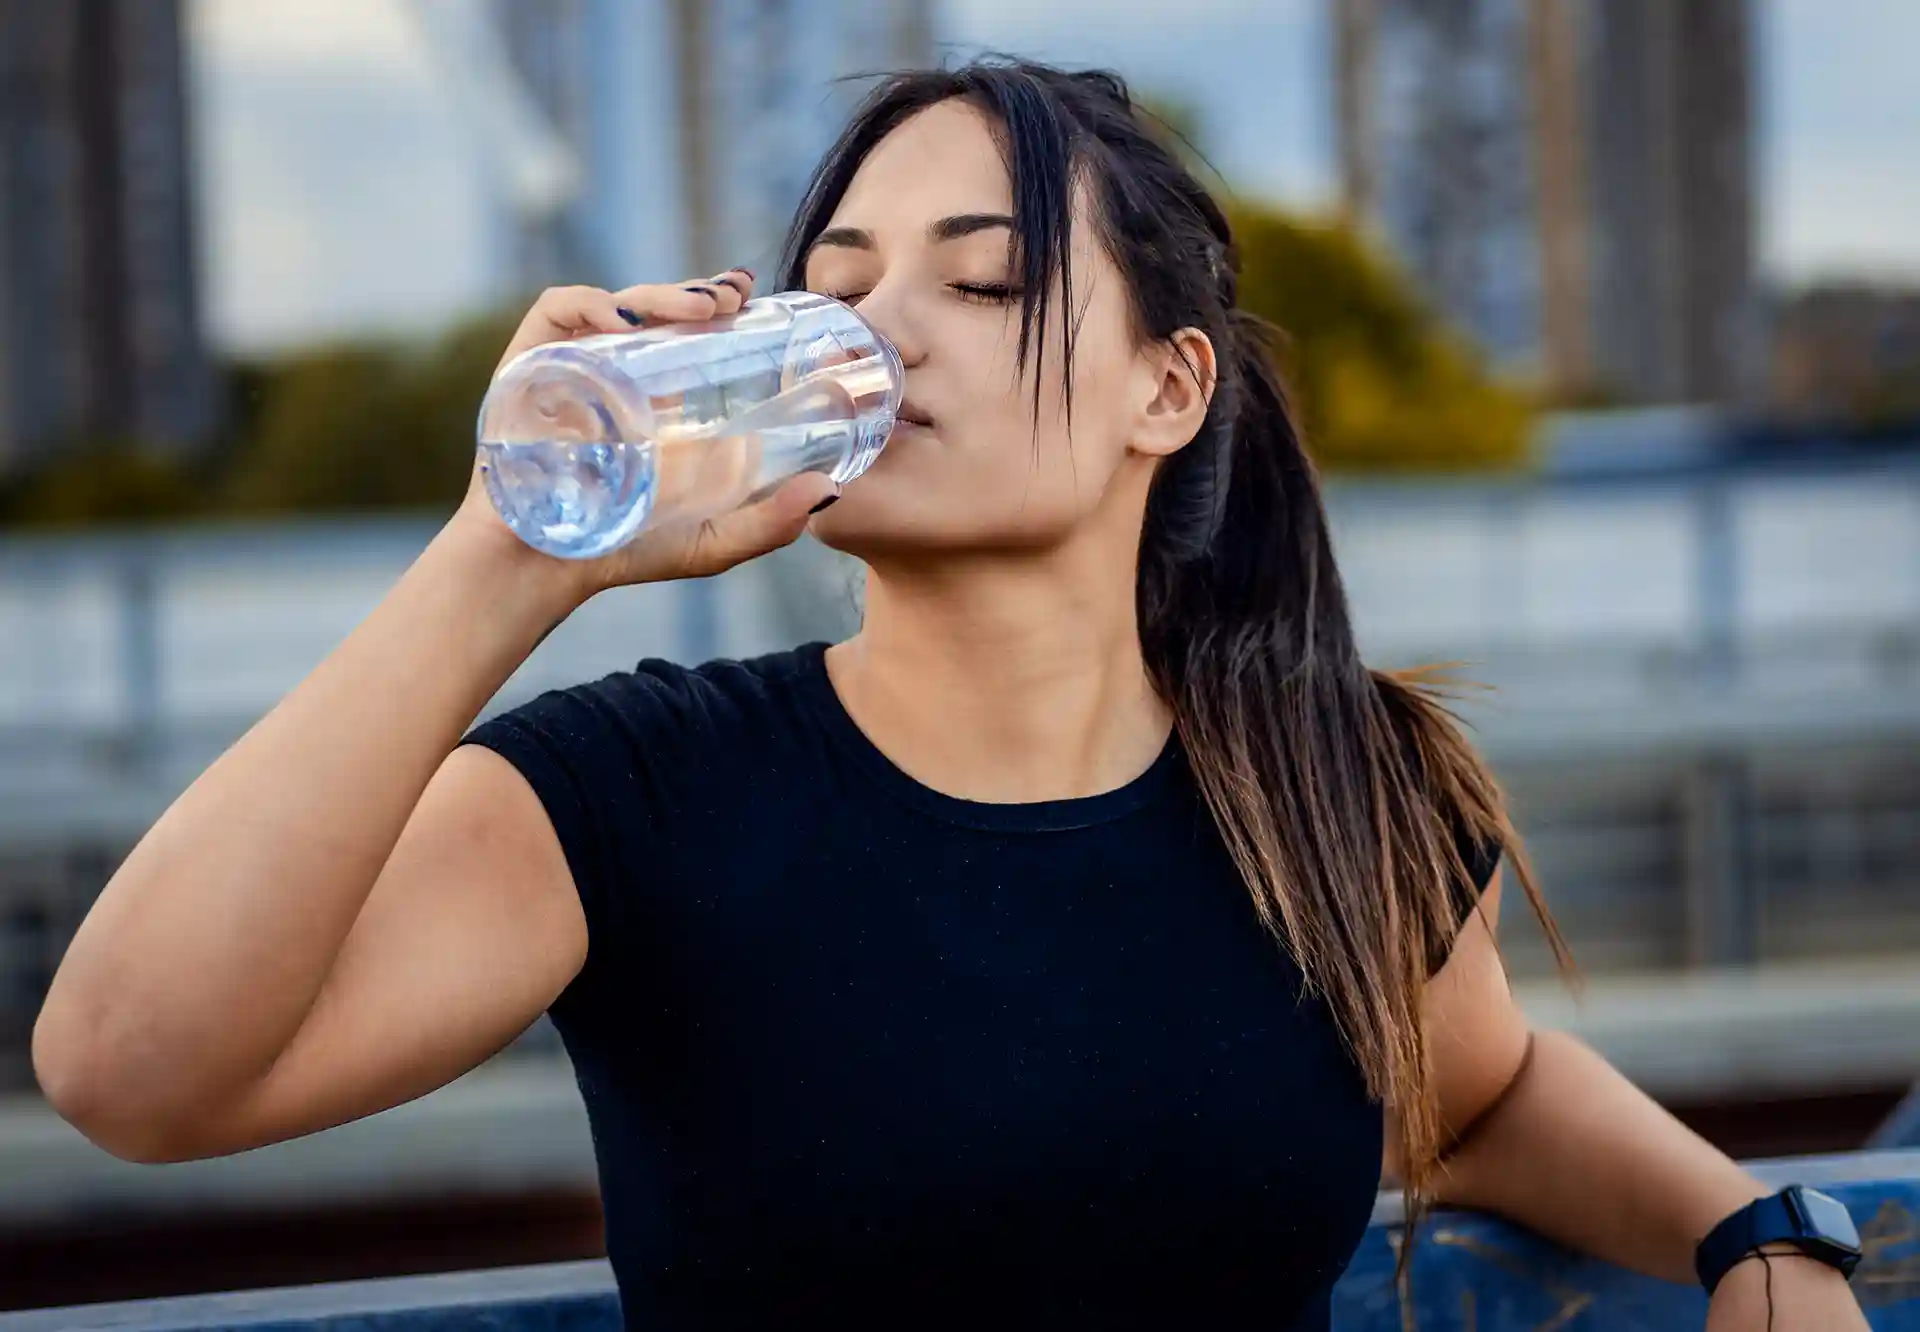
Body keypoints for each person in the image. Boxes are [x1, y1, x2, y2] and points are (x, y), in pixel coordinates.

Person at [34, 58, 1866, 1332]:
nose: (875, 330)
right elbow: (131, 1074)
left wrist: (1756, 1233)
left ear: (1169, 389)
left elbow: (1471, 1096)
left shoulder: (1336, 782)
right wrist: (512, 548)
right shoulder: (639, 800)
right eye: (836, 287)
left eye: (980, 283)